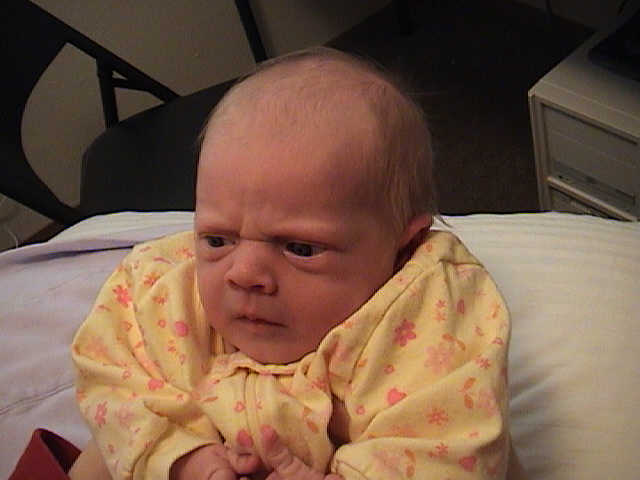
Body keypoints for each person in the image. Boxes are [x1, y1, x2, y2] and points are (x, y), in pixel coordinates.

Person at [69, 47, 512, 480]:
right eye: (218, 239)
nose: (243, 274)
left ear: (403, 245)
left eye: (300, 248)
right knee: (98, 457)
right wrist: (183, 458)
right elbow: (113, 379)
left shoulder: (430, 312)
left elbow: (447, 447)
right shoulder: (164, 290)